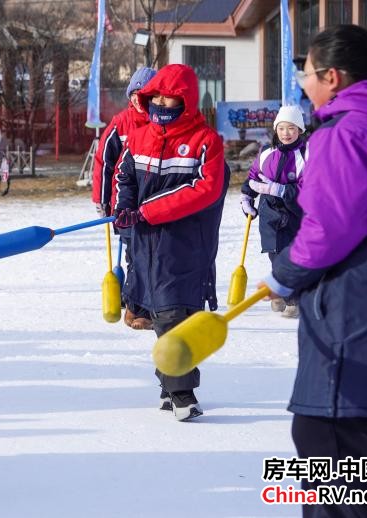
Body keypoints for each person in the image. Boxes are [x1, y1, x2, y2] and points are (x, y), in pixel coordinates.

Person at [259, 25, 367, 516]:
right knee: (357, 471)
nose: (303, 85)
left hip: (355, 331)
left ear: (333, 77)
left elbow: (332, 228)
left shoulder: (347, 134)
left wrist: (284, 273)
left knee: (335, 459)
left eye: (307, 74)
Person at [113, 64, 229, 422]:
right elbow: (125, 175)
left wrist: (148, 210)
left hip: (183, 245)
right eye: (156, 96)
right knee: (159, 314)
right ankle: (168, 385)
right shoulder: (140, 136)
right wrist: (124, 206)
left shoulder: (206, 141)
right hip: (144, 245)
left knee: (175, 316)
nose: (162, 102)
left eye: (170, 97)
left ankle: (182, 393)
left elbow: (205, 189)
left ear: (186, 100)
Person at [91, 67, 157, 331]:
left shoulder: (162, 123)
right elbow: (104, 163)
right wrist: (103, 199)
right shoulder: (121, 124)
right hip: (125, 205)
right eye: (135, 96)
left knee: (155, 254)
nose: (139, 101)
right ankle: (136, 307)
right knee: (136, 254)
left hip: (155, 203)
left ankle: (152, 304)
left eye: (147, 96)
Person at [240, 104, 307, 318]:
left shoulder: (305, 155)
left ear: (300, 130)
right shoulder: (266, 152)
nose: (286, 133)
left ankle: (293, 299)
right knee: (273, 253)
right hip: (269, 213)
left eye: (291, 128)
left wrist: (279, 189)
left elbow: (308, 189)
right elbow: (253, 176)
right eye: (282, 128)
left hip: (293, 214)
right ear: (276, 129)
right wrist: (246, 196)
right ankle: (280, 291)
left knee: (290, 256)